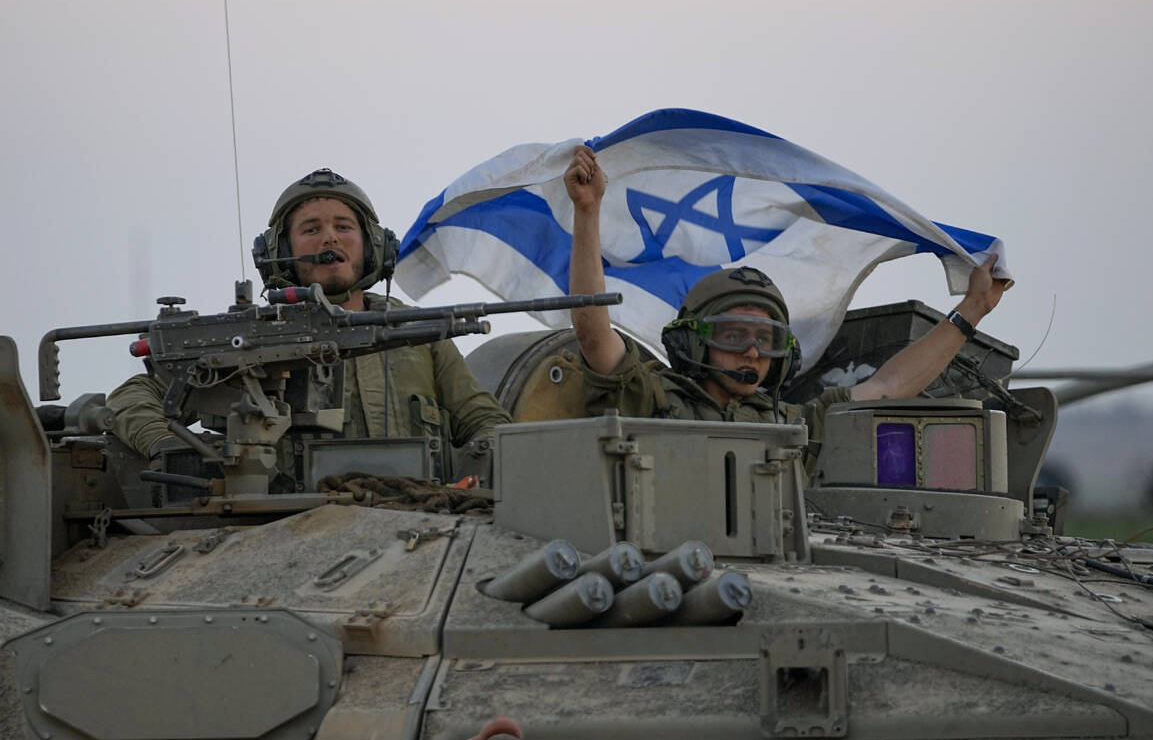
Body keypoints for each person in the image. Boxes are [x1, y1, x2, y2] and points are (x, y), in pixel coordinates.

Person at [564, 145, 1008, 447]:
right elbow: (592, 332)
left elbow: (889, 386)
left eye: (768, 339)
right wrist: (588, 211)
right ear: (694, 341)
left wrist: (971, 311)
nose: (754, 351)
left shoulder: (790, 425)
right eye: (734, 335)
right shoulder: (649, 400)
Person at [108, 168, 511, 484]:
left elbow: (485, 422)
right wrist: (167, 444)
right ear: (280, 252)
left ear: (372, 246)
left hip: (421, 525)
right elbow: (135, 396)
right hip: (289, 532)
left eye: (343, 227)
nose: (329, 238)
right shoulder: (250, 336)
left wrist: (477, 476)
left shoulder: (419, 334)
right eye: (311, 229)